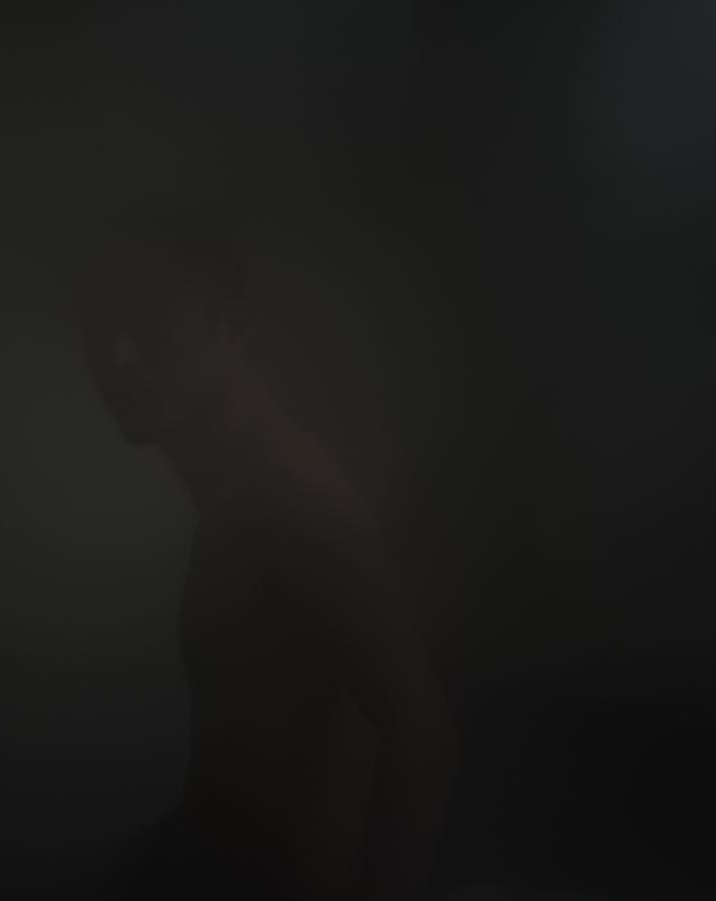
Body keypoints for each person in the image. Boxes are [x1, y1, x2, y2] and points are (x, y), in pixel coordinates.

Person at [71, 204, 458, 900]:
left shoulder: (287, 493)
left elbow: (420, 732)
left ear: (235, 324)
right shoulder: (240, 497)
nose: (115, 354)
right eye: (96, 324)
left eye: (148, 315)